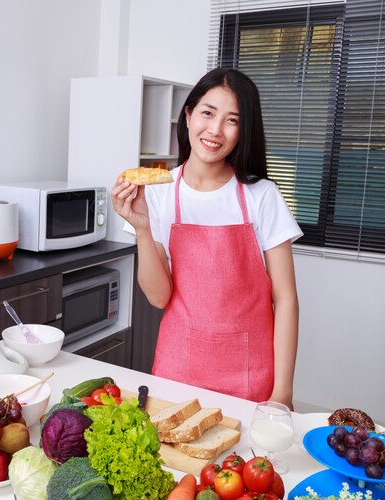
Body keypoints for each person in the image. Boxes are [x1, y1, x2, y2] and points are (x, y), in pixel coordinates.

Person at [112, 68, 302, 409]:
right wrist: (142, 228)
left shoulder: (262, 196)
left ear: (244, 130)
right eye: (207, 113)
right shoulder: (158, 193)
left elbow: (286, 299)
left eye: (232, 120)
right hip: (177, 371)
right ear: (188, 115)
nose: (215, 130)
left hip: (250, 376)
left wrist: (283, 394)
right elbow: (159, 298)